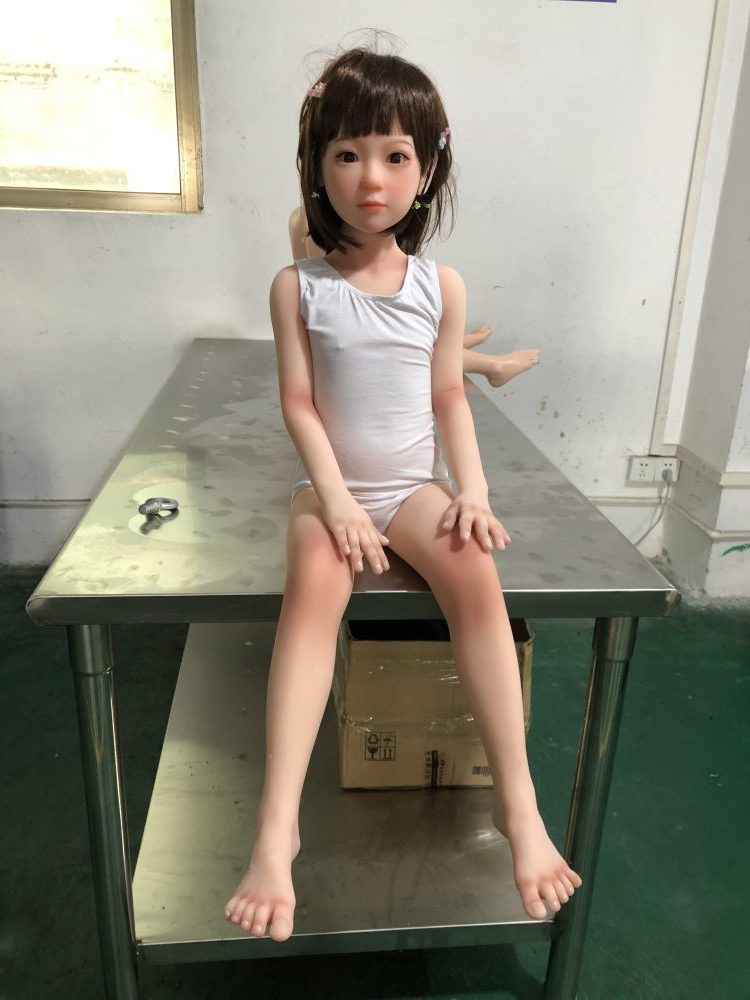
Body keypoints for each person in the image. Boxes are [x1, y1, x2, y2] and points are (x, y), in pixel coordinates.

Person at [224, 46, 581, 943]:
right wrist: (336, 502)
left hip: (414, 489)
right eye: (346, 154)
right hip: (331, 494)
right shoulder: (296, 287)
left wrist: (473, 491)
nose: (370, 178)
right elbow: (299, 404)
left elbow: (449, 394)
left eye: (394, 155)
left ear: (428, 169)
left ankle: (518, 804)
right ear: (316, 165)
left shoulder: (439, 287)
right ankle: (276, 828)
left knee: (477, 579)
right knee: (313, 593)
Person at [289, 204, 541, 388]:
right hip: (341, 331)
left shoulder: (303, 220)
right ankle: (492, 366)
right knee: (394, 345)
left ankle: (461, 347)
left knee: (404, 336)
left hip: (348, 321)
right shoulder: (313, 222)